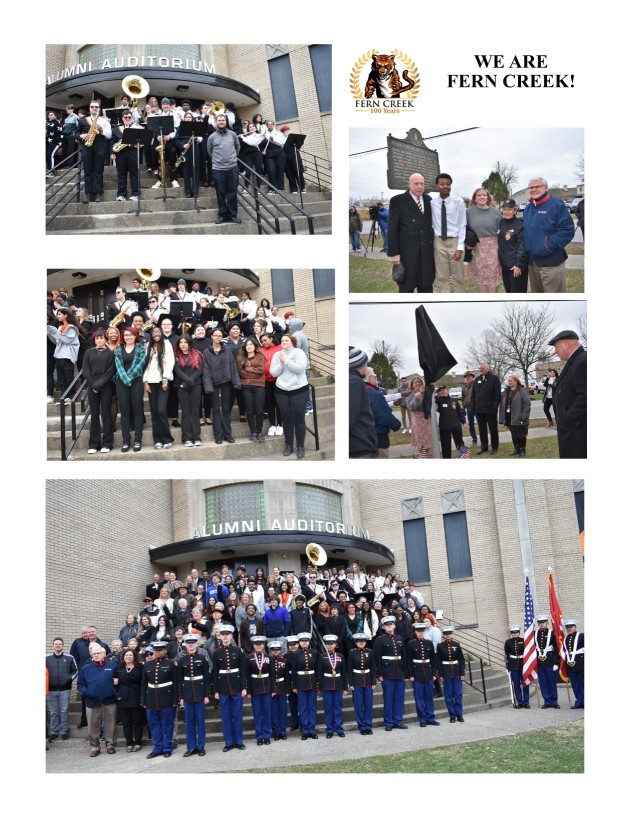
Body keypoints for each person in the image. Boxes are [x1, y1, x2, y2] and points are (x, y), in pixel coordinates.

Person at [523, 177, 575, 292]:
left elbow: (567, 230)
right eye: (531, 187)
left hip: (551, 263)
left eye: (537, 186)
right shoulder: (528, 208)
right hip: (532, 264)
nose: (534, 189)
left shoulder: (556, 204)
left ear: (546, 188)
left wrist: (546, 246)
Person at [387, 172, 436, 292]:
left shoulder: (429, 199)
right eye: (416, 184)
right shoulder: (397, 201)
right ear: (409, 184)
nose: (419, 186)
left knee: (426, 287)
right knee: (406, 289)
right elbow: (392, 228)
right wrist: (394, 252)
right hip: (407, 253)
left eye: (422, 184)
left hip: (426, 254)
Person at [270, 333, 309, 458]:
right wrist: (281, 364)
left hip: (299, 389)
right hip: (281, 389)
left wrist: (286, 361)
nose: (284, 342)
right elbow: (273, 372)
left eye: (286, 340)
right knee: (286, 419)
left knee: (299, 419)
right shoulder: (277, 354)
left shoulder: (299, 353)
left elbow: (300, 369)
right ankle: (288, 445)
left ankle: (300, 446)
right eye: (282, 340)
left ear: (292, 342)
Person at [548, 330, 587, 458]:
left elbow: (586, 396)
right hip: (572, 430)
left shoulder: (582, 361)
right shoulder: (574, 362)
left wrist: (567, 418)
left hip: (577, 432)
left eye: (556, 346)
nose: (555, 351)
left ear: (566, 344)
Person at [77, 644, 118, 756]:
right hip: (92, 702)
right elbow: (80, 684)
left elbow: (118, 681)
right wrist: (88, 693)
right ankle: (95, 747)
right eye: (93, 653)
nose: (95, 655)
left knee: (110, 725)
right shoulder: (86, 668)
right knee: (93, 726)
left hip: (109, 701)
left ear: (104, 654)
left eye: (98, 653)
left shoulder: (113, 665)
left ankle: (110, 745)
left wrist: (114, 689)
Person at [202, 327, 241, 444]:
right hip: (213, 383)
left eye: (220, 336)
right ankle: (218, 435)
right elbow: (205, 371)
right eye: (216, 335)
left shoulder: (227, 350)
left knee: (225, 409)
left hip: (226, 382)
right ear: (212, 337)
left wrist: (236, 382)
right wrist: (208, 386)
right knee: (216, 410)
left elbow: (233, 367)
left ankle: (227, 434)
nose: (218, 337)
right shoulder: (206, 352)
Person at [212, 624, 247, 751]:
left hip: (236, 686)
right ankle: (229, 742)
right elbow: (215, 672)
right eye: (223, 634)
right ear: (220, 636)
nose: (225, 636)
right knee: (225, 716)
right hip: (223, 688)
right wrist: (216, 690)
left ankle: (239, 741)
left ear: (231, 635)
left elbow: (243, 670)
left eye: (227, 634)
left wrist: (244, 687)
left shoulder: (238, 651)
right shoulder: (216, 652)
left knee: (237, 715)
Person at [141, 640, 178, 759]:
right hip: (151, 699)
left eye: (160, 650)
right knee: (154, 725)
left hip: (166, 698)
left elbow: (176, 683)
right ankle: (157, 747)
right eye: (156, 650)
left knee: (167, 725)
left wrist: (175, 700)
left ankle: (167, 747)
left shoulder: (171, 664)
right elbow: (144, 684)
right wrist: (143, 700)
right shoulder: (147, 665)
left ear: (165, 651)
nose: (158, 652)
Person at [430, 173, 467, 293]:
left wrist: (460, 247)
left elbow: (462, 225)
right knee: (441, 276)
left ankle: (459, 299)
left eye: (448, 184)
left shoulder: (459, 202)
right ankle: (444, 297)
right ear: (437, 186)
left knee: (458, 276)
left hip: (454, 241)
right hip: (439, 241)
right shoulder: (432, 203)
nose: (445, 186)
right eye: (442, 184)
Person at [82, 328, 115, 454]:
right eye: (97, 338)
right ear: (94, 339)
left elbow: (111, 371)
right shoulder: (88, 353)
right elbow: (85, 370)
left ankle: (107, 443)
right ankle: (94, 444)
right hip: (92, 387)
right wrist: (94, 385)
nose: (100, 340)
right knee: (94, 415)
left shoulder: (110, 353)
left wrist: (99, 384)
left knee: (106, 414)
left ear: (105, 339)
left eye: (102, 338)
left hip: (106, 387)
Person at [177, 634, 210, 757]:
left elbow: (206, 678)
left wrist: (207, 695)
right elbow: (180, 680)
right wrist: (181, 697)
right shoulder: (182, 660)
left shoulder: (202, 658)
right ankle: (191, 747)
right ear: (185, 644)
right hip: (187, 694)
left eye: (193, 642)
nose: (191, 645)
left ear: (197, 644)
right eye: (188, 643)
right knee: (189, 722)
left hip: (200, 693)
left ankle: (201, 746)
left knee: (200, 721)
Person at [143, 326, 175, 450]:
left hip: (163, 381)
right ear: (151, 334)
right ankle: (157, 439)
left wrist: (165, 379)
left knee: (161, 410)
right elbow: (145, 365)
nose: (156, 334)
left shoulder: (166, 344)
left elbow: (170, 362)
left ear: (161, 333)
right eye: (154, 332)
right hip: (151, 382)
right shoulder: (147, 346)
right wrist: (145, 381)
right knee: (154, 412)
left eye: (158, 332)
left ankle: (167, 438)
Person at [114, 327, 146, 453]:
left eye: (131, 335)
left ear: (135, 336)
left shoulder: (140, 348)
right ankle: (126, 440)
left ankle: (138, 440)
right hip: (121, 382)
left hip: (136, 381)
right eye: (126, 335)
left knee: (138, 410)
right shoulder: (119, 348)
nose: (128, 337)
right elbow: (118, 365)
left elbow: (141, 363)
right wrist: (125, 379)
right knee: (125, 411)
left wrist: (129, 378)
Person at [374, 615, 407, 731]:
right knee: (388, 698)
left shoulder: (399, 638)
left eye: (391, 624)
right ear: (383, 627)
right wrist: (379, 674)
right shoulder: (380, 639)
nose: (389, 626)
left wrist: (405, 671)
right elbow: (377, 658)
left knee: (399, 698)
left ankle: (397, 721)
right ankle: (388, 722)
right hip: (387, 673)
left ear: (394, 625)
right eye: (386, 625)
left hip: (399, 672)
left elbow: (403, 656)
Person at [207, 113, 241, 224]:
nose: (221, 122)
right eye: (219, 120)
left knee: (232, 192)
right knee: (220, 193)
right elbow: (210, 151)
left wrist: (231, 159)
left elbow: (237, 148)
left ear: (226, 122)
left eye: (223, 120)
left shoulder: (233, 134)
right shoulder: (211, 137)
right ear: (216, 122)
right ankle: (222, 215)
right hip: (218, 169)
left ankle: (232, 215)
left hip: (232, 168)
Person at [466, 188, 502, 293]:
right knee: (481, 274)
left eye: (484, 195)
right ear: (474, 198)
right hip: (477, 247)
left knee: (492, 274)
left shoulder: (495, 212)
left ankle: (492, 296)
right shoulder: (469, 212)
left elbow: (502, 229)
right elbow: (464, 228)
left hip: (493, 246)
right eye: (479, 195)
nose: (482, 197)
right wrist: (467, 243)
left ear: (488, 197)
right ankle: (483, 295)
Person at [76, 100, 112, 203]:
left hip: (100, 147)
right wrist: (81, 135)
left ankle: (98, 194)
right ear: (89, 108)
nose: (94, 108)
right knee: (88, 171)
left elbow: (109, 135)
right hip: (87, 147)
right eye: (92, 107)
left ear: (99, 109)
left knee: (98, 171)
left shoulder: (104, 120)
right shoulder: (83, 120)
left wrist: (101, 130)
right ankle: (88, 194)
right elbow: (75, 133)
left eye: (96, 107)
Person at [405, 623, 440, 727]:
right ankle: (422, 719)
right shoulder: (411, 644)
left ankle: (431, 718)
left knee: (429, 697)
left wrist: (434, 673)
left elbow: (433, 660)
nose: (421, 632)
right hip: (417, 674)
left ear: (425, 631)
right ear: (415, 632)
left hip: (428, 673)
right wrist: (410, 675)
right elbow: (408, 661)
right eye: (419, 631)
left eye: (422, 631)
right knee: (419, 698)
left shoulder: (429, 643)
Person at [45, 638, 78, 742]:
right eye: (56, 644)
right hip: (51, 690)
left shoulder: (69, 657)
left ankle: (64, 731)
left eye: (60, 644)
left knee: (63, 711)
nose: (58, 645)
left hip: (65, 689)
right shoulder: (46, 658)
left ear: (63, 645)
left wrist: (69, 679)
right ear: (53, 646)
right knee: (53, 712)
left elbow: (76, 670)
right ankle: (54, 732)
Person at [173, 335, 204, 447]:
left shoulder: (198, 354)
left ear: (189, 343)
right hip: (181, 387)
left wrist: (188, 382)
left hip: (196, 386)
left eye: (185, 342)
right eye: (181, 342)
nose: (183, 344)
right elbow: (177, 370)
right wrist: (187, 381)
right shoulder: (176, 355)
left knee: (195, 412)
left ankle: (196, 437)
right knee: (185, 412)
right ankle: (186, 438)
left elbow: (199, 370)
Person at [364, 369, 401, 458]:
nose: (376, 380)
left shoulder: (360, 392)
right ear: (369, 379)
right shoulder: (375, 394)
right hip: (378, 437)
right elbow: (384, 417)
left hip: (364, 438)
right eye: (374, 377)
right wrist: (397, 425)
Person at [349, 347, 378, 458]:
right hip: (359, 445)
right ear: (359, 365)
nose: (367, 367)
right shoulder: (355, 382)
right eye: (366, 364)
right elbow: (350, 416)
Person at [237, 336, 267, 441]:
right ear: (244, 347)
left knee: (259, 410)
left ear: (255, 346)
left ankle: (259, 432)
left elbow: (260, 370)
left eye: (251, 345)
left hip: (259, 386)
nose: (249, 347)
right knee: (249, 411)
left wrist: (247, 369)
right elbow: (241, 372)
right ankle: (253, 432)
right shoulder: (241, 357)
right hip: (246, 386)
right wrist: (252, 370)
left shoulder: (260, 356)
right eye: (247, 345)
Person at [290, 632, 319, 739]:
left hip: (312, 682)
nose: (304, 643)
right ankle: (305, 730)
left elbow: (317, 669)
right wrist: (294, 686)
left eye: (306, 641)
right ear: (299, 643)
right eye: (302, 641)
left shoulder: (315, 653)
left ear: (309, 642)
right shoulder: (296, 654)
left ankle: (312, 729)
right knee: (303, 708)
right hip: (301, 683)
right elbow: (294, 671)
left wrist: (318, 684)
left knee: (312, 707)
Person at [246, 636, 274, 745]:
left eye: (260, 644)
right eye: (256, 644)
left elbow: (272, 675)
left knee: (267, 712)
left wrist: (273, 689)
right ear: (253, 645)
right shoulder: (248, 658)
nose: (258, 646)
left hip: (266, 687)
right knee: (257, 713)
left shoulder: (269, 657)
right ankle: (259, 736)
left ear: (263, 645)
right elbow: (247, 676)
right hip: (254, 688)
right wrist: (248, 690)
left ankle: (267, 735)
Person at [318, 634, 348, 738]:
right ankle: (330, 729)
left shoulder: (341, 656)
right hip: (326, 685)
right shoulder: (322, 656)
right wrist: (319, 688)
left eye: (332, 644)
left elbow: (344, 673)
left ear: (336, 644)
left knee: (338, 707)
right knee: (328, 707)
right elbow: (320, 673)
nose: (330, 646)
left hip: (338, 685)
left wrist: (345, 687)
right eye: (327, 644)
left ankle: (339, 728)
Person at [47, 308, 80, 402]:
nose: (58, 316)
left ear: (66, 315)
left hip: (67, 355)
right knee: (61, 378)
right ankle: (64, 396)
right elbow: (56, 341)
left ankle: (71, 396)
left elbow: (68, 340)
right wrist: (50, 333)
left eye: (60, 314)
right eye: (58, 314)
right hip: (58, 355)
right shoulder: (60, 327)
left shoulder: (72, 328)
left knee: (69, 377)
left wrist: (54, 332)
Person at [115, 648, 144, 751]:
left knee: (137, 721)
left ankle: (137, 743)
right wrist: (117, 695)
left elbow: (142, 682)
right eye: (126, 655)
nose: (128, 657)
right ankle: (129, 743)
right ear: (123, 657)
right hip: (123, 697)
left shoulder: (140, 667)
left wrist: (142, 696)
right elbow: (114, 683)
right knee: (126, 722)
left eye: (130, 655)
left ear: (134, 657)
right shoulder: (119, 667)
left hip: (136, 695)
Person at [497, 199, 529, 293]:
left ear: (515, 211)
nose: (507, 212)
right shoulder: (501, 223)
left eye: (509, 209)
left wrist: (518, 265)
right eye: (504, 209)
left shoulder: (520, 225)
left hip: (516, 267)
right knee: (509, 292)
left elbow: (522, 246)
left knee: (517, 294)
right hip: (505, 266)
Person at [110, 109, 142, 201]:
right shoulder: (116, 129)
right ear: (122, 118)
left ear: (132, 118)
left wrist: (139, 144)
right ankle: (121, 195)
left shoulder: (137, 127)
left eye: (129, 117)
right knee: (121, 174)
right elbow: (112, 142)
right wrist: (112, 153)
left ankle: (136, 194)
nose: (127, 118)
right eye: (125, 117)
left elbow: (143, 140)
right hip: (120, 154)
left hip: (133, 152)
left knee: (134, 174)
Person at [437, 626, 465, 722]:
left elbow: (461, 659)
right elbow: (438, 661)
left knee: (458, 694)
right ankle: (452, 716)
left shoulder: (456, 644)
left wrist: (462, 672)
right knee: (448, 695)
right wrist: (440, 674)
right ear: (443, 635)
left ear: (452, 634)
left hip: (456, 672)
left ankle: (459, 715)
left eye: (449, 634)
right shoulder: (440, 646)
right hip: (446, 672)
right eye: (446, 634)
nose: (448, 636)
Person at [472, 364, 501, 455]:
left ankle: (494, 447)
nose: (480, 369)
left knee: (493, 429)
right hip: (479, 410)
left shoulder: (494, 378)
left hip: (490, 410)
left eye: (482, 368)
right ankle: (484, 447)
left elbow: (497, 395)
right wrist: (474, 407)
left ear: (488, 369)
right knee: (482, 430)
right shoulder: (477, 380)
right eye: (480, 368)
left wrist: (494, 408)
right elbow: (473, 395)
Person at [535, 615, 560, 709]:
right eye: (540, 623)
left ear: (547, 623)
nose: (541, 624)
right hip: (539, 662)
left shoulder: (551, 633)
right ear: (538, 624)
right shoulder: (535, 633)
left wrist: (555, 663)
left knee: (552, 682)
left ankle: (554, 701)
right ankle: (547, 701)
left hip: (550, 661)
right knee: (543, 683)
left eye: (543, 622)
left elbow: (556, 649)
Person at [435, 385, 467, 458]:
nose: (443, 391)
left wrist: (464, 422)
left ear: (448, 390)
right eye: (441, 391)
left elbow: (460, 412)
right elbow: (432, 399)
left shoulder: (454, 400)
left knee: (459, 444)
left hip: (456, 426)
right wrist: (438, 394)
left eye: (445, 390)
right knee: (445, 446)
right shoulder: (438, 401)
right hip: (444, 428)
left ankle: (462, 457)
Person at [406, 375, 432, 459]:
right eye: (415, 382)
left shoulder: (426, 392)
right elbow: (411, 407)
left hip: (427, 419)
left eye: (419, 382)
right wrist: (416, 398)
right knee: (420, 440)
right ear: (412, 384)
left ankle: (432, 456)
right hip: (417, 420)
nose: (417, 384)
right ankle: (422, 457)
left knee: (429, 439)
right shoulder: (410, 393)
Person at [504, 626, 529, 708]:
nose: (515, 634)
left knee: (525, 683)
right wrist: (508, 667)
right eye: (513, 632)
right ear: (511, 634)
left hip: (523, 664)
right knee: (516, 684)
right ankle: (520, 702)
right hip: (513, 665)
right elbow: (507, 655)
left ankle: (526, 702)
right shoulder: (508, 642)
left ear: (519, 633)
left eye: (516, 632)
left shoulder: (523, 640)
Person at [269, 641, 289, 740]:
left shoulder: (284, 661)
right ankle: (276, 731)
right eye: (273, 650)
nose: (276, 651)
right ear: (270, 651)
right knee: (274, 711)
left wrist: (287, 689)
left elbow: (286, 676)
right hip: (271, 688)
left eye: (277, 649)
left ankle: (283, 731)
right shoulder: (268, 661)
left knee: (282, 710)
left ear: (280, 650)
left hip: (282, 687)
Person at [562, 620, 584, 709]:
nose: (569, 629)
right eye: (567, 627)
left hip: (581, 663)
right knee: (575, 684)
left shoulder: (582, 636)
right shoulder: (566, 638)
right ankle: (579, 701)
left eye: (571, 627)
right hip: (570, 665)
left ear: (575, 627)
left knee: (583, 683)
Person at [461, 371, 478, 445]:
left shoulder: (476, 384)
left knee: (481, 424)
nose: (468, 377)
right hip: (468, 407)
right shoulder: (464, 387)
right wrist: (463, 407)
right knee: (471, 425)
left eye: (469, 376)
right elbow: (463, 398)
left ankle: (484, 438)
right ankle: (474, 439)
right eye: (466, 377)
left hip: (476, 407)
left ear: (472, 377)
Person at [46, 111, 63, 177]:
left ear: (55, 116)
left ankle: (51, 171)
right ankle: (49, 169)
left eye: (52, 115)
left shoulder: (57, 123)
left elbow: (51, 131)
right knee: (48, 155)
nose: (50, 116)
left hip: (56, 141)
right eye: (49, 115)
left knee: (50, 154)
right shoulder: (49, 123)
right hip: (50, 141)